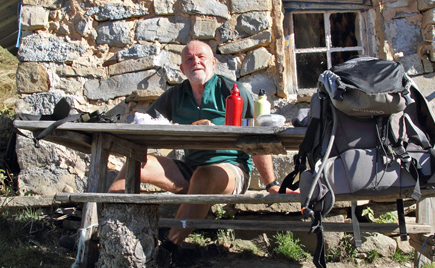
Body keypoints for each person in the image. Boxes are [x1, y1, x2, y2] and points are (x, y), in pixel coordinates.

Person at [109, 40, 296, 251]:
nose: (195, 62)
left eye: (201, 57)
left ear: (213, 63)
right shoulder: (175, 95)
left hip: (230, 170)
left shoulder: (234, 91)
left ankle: (167, 250)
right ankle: (103, 232)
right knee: (136, 163)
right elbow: (147, 123)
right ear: (182, 68)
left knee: (205, 175)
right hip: (190, 168)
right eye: (189, 59)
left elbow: (258, 140)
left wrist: (271, 183)